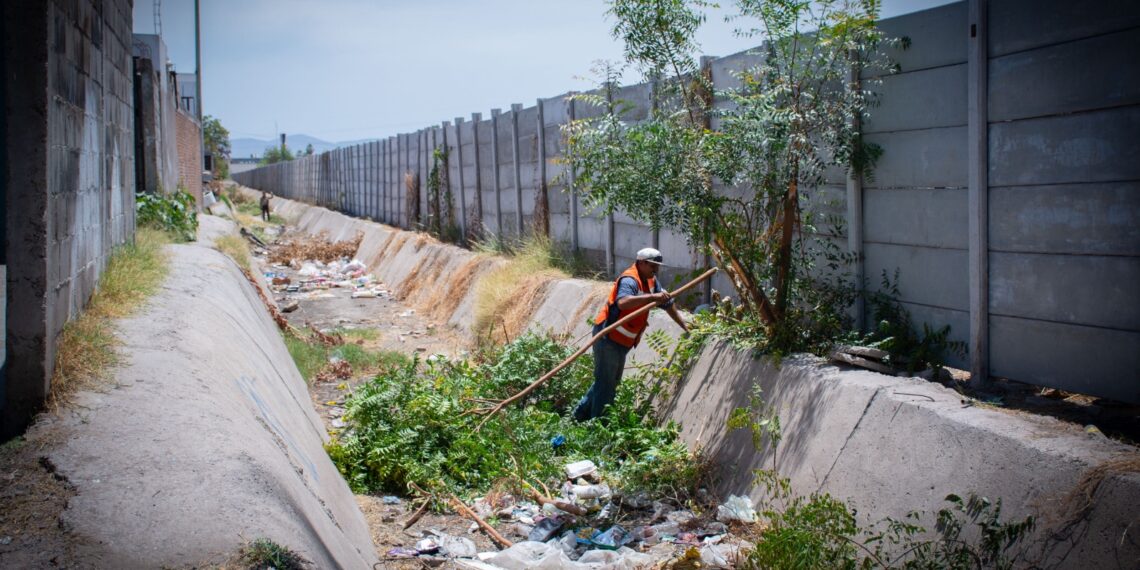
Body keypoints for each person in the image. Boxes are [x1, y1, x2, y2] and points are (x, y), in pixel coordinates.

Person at [573, 247, 688, 422]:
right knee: (606, 384)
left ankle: (579, 417)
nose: (656, 270)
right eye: (652, 266)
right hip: (608, 337)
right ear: (641, 263)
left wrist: (685, 326)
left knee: (608, 381)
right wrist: (653, 298)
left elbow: (667, 303)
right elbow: (623, 303)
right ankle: (597, 429)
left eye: (657, 266)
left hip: (623, 341)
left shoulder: (651, 281)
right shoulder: (630, 279)